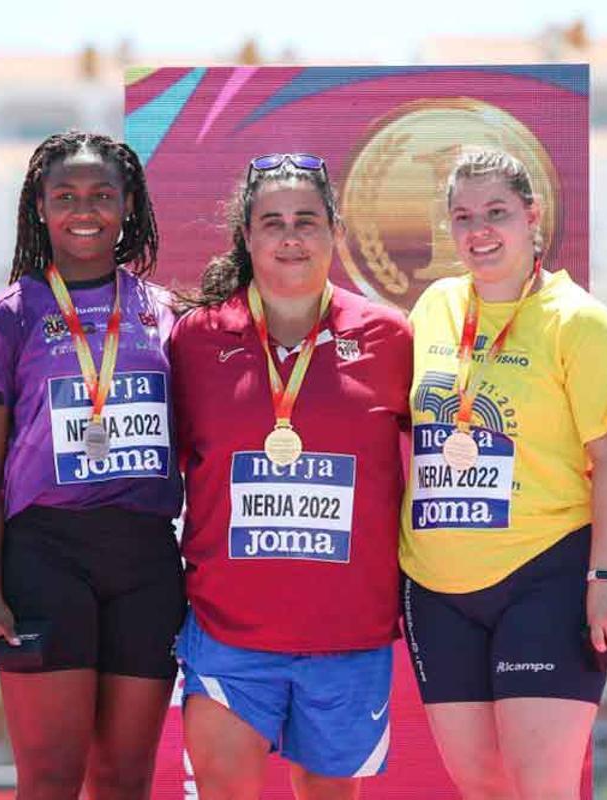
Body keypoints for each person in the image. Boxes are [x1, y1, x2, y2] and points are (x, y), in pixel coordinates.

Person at [169, 153, 411, 800]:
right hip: (227, 635)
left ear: (335, 230)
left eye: (306, 220)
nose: (290, 236)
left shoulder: (390, 338)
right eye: (271, 222)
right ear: (247, 238)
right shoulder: (195, 340)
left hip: (348, 637)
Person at [401, 148, 607, 800]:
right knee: (483, 787)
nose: (479, 230)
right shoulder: (435, 308)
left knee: (541, 788)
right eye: (463, 216)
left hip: (545, 580)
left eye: (497, 213)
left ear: (533, 216)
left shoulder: (581, 322)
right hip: (435, 588)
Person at [0, 131, 183, 800]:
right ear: (39, 208)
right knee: (52, 779)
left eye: (102, 195)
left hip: (146, 562)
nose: (84, 210)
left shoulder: (165, 313)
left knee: (123, 782)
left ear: (128, 205)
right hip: (45, 560)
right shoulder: (2, 322)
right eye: (65, 196)